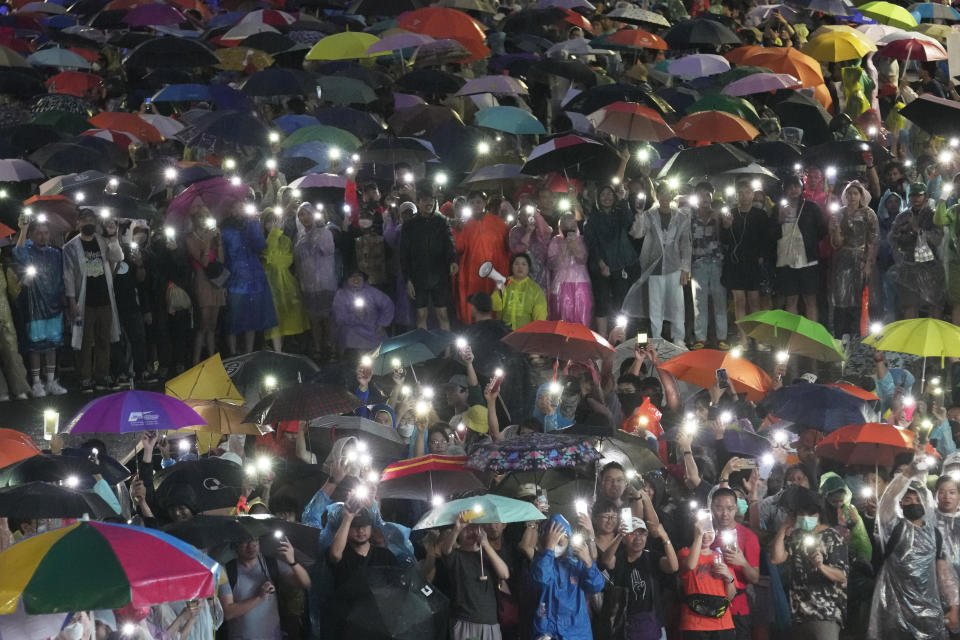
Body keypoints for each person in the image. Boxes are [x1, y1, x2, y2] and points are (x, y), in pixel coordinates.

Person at [868, 461, 952, 640]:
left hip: (929, 611)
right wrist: (907, 474)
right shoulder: (893, 527)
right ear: (901, 504)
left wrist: (954, 605)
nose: (913, 503)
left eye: (917, 499)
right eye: (907, 499)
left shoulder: (934, 534)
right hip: (895, 609)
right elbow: (888, 501)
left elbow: (943, 573)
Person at [770, 486, 849, 640]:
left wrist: (821, 566)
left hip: (825, 613)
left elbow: (842, 576)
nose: (805, 517)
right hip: (799, 615)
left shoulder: (832, 536)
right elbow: (776, 558)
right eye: (801, 514)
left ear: (819, 513)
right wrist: (784, 527)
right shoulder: (796, 536)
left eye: (810, 513)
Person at [62, 208, 124, 392]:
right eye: (84, 220)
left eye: (91, 219)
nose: (88, 223)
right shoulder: (71, 247)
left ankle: (102, 375)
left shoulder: (102, 241)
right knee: (85, 342)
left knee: (104, 339)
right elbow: (68, 275)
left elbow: (118, 257)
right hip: (84, 300)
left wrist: (113, 237)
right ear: (78, 223)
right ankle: (85, 377)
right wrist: (72, 301)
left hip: (104, 299)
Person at [629, 180, 692, 343]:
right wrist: (640, 215)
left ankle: (679, 339)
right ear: (657, 195)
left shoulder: (681, 216)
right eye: (661, 193)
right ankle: (656, 339)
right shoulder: (649, 214)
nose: (665, 197)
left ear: (672, 195)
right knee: (655, 306)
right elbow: (637, 233)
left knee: (677, 305)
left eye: (668, 193)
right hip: (654, 266)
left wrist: (686, 268)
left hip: (674, 265)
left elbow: (686, 243)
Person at [599, 516, 679, 640]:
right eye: (632, 534)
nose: (638, 538)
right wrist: (619, 536)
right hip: (625, 625)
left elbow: (673, 567)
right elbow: (606, 560)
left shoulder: (652, 557)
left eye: (642, 534)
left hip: (652, 624)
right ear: (625, 539)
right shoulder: (620, 559)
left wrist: (665, 538)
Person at [218, 535, 310, 640]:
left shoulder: (271, 564)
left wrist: (292, 561)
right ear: (235, 545)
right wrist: (259, 597)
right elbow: (227, 613)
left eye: (254, 540)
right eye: (245, 541)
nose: (251, 546)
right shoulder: (227, 571)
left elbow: (305, 582)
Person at [12, 216, 66, 397]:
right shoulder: (27, 250)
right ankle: (36, 383)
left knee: (52, 344)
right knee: (35, 345)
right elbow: (18, 253)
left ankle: (51, 381)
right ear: (32, 236)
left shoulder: (56, 253)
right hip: (35, 306)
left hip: (54, 304)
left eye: (46, 233)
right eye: (39, 234)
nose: (43, 237)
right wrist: (24, 229)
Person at [530, 514, 606, 640]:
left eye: (564, 536)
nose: (560, 541)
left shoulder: (578, 561)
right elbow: (540, 581)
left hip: (577, 632)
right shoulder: (541, 561)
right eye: (556, 536)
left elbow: (596, 586)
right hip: (549, 631)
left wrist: (588, 562)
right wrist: (549, 549)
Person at [439, 511, 511, 640]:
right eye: (466, 529)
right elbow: (445, 549)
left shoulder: (488, 554)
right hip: (464, 620)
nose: (470, 532)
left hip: (490, 621)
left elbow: (504, 574)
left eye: (474, 527)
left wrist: (485, 544)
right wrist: (457, 529)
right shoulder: (456, 556)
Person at [220, 202, 277, 355]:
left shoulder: (251, 226)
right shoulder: (225, 233)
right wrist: (223, 284)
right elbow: (223, 259)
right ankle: (233, 353)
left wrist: (253, 223)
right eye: (236, 207)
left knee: (251, 319)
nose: (240, 210)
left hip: (254, 279)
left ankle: (249, 352)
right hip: (235, 280)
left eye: (242, 207)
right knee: (233, 318)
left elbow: (260, 246)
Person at [400, 187, 458, 330]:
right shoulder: (409, 225)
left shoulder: (442, 221)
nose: (429, 203)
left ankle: (448, 349)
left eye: (431, 200)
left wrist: (453, 260)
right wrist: (407, 279)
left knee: (443, 314)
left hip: (440, 275)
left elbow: (449, 243)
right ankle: (423, 350)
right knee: (421, 315)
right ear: (418, 202)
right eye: (425, 200)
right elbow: (404, 254)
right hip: (418, 276)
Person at [770, 174, 826, 322]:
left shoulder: (812, 208)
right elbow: (771, 236)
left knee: (810, 299)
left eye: (796, 186)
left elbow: (822, 231)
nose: (793, 190)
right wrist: (779, 221)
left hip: (809, 260)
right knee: (791, 299)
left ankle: (811, 336)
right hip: (787, 261)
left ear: (802, 188)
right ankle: (792, 338)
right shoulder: (777, 209)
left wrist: (809, 243)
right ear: (784, 190)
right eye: (789, 187)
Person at [720, 178, 769, 347]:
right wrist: (727, 226)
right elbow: (724, 240)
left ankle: (758, 338)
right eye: (740, 193)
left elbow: (766, 239)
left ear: (753, 194)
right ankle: (743, 339)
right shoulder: (730, 214)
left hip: (754, 262)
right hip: (735, 263)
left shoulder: (760, 214)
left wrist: (762, 256)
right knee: (739, 301)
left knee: (755, 301)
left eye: (747, 192)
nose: (743, 196)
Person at [583, 185, 638, 336]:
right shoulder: (593, 218)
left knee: (621, 303)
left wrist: (624, 200)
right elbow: (591, 243)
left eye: (610, 194)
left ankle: (621, 336)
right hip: (601, 265)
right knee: (602, 302)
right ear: (597, 198)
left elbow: (630, 223)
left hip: (621, 264)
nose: (606, 197)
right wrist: (601, 263)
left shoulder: (620, 214)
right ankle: (603, 338)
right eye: (603, 194)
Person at [829, 181, 879, 338]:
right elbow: (837, 243)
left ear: (861, 195)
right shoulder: (839, 213)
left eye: (855, 193)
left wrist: (869, 264)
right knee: (841, 297)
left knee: (860, 298)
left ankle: (859, 335)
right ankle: (840, 336)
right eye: (849, 193)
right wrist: (836, 228)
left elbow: (873, 240)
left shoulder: (868, 213)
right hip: (843, 260)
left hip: (862, 260)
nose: (852, 196)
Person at [709, 488, 760, 640]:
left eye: (730, 508)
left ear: (736, 508)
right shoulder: (705, 535)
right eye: (719, 508)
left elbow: (755, 578)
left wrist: (743, 563)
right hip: (710, 604)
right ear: (712, 508)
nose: (725, 514)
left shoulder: (748, 536)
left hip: (736, 607)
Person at [888, 182, 944, 319]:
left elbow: (937, 239)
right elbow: (892, 239)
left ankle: (933, 335)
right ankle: (911, 334)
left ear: (925, 196)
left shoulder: (933, 215)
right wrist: (901, 233)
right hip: (908, 265)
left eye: (919, 195)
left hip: (930, 265)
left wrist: (918, 230)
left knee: (934, 302)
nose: (915, 198)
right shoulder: (902, 216)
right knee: (909, 303)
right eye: (912, 195)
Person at [678, 515, 737, 640]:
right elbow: (690, 565)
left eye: (709, 531)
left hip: (722, 623)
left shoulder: (722, 557)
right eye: (702, 531)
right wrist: (698, 535)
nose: (705, 535)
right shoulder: (685, 553)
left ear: (715, 532)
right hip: (695, 623)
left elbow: (730, 596)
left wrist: (729, 576)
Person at [456, 193, 510, 325]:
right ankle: (474, 326)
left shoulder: (498, 222)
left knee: (495, 298)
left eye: (479, 202)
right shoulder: (464, 224)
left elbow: (507, 246)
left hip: (495, 269)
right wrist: (458, 230)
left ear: (485, 204)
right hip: (472, 272)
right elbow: (459, 248)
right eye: (473, 202)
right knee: (474, 297)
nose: (476, 205)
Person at [688, 182, 728, 350]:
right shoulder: (690, 216)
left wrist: (722, 222)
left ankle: (722, 337)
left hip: (717, 262)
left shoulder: (720, 215)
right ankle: (701, 338)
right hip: (697, 263)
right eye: (702, 194)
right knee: (699, 303)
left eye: (708, 194)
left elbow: (725, 238)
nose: (705, 198)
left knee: (720, 302)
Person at [261, 212, 309, 352]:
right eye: (269, 222)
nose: (273, 225)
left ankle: (282, 348)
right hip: (269, 283)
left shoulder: (286, 240)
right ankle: (277, 350)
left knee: (286, 314)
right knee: (274, 315)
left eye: (276, 221)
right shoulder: (262, 240)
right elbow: (269, 252)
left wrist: (272, 258)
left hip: (285, 283)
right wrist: (274, 235)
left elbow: (286, 260)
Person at [184, 205, 225, 364]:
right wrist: (207, 240)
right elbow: (204, 262)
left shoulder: (213, 236)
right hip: (202, 280)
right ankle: (196, 361)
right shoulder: (190, 238)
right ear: (195, 219)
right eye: (201, 216)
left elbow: (221, 261)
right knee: (203, 323)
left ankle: (212, 359)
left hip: (216, 282)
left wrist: (219, 241)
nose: (203, 219)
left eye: (207, 216)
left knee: (213, 325)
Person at [331, 268, 394, 358]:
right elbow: (339, 318)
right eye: (352, 276)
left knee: (385, 355)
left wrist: (383, 323)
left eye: (359, 276)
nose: (356, 279)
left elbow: (388, 305)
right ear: (347, 279)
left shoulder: (371, 291)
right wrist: (356, 316)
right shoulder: (341, 295)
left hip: (373, 331)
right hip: (352, 333)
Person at [547, 212, 592, 326]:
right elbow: (552, 264)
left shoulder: (581, 240)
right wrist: (564, 250)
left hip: (580, 283)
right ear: (560, 227)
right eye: (565, 227)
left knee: (582, 315)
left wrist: (575, 247)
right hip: (560, 283)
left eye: (572, 227)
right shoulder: (555, 240)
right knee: (561, 316)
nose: (569, 229)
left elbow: (583, 259)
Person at [491, 252, 548, 330]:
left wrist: (536, 331)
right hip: (504, 331)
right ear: (512, 267)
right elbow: (495, 307)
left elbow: (540, 314)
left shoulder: (534, 288)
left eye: (524, 264)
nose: (520, 267)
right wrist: (497, 291)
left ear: (528, 268)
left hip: (525, 334)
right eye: (516, 264)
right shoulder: (504, 283)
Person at [509, 201, 553, 293]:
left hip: (542, 272)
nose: (527, 217)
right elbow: (516, 250)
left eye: (529, 214)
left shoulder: (539, 229)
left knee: (540, 301)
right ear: (519, 217)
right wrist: (528, 233)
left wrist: (536, 215)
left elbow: (546, 234)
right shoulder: (515, 231)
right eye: (524, 215)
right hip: (523, 271)